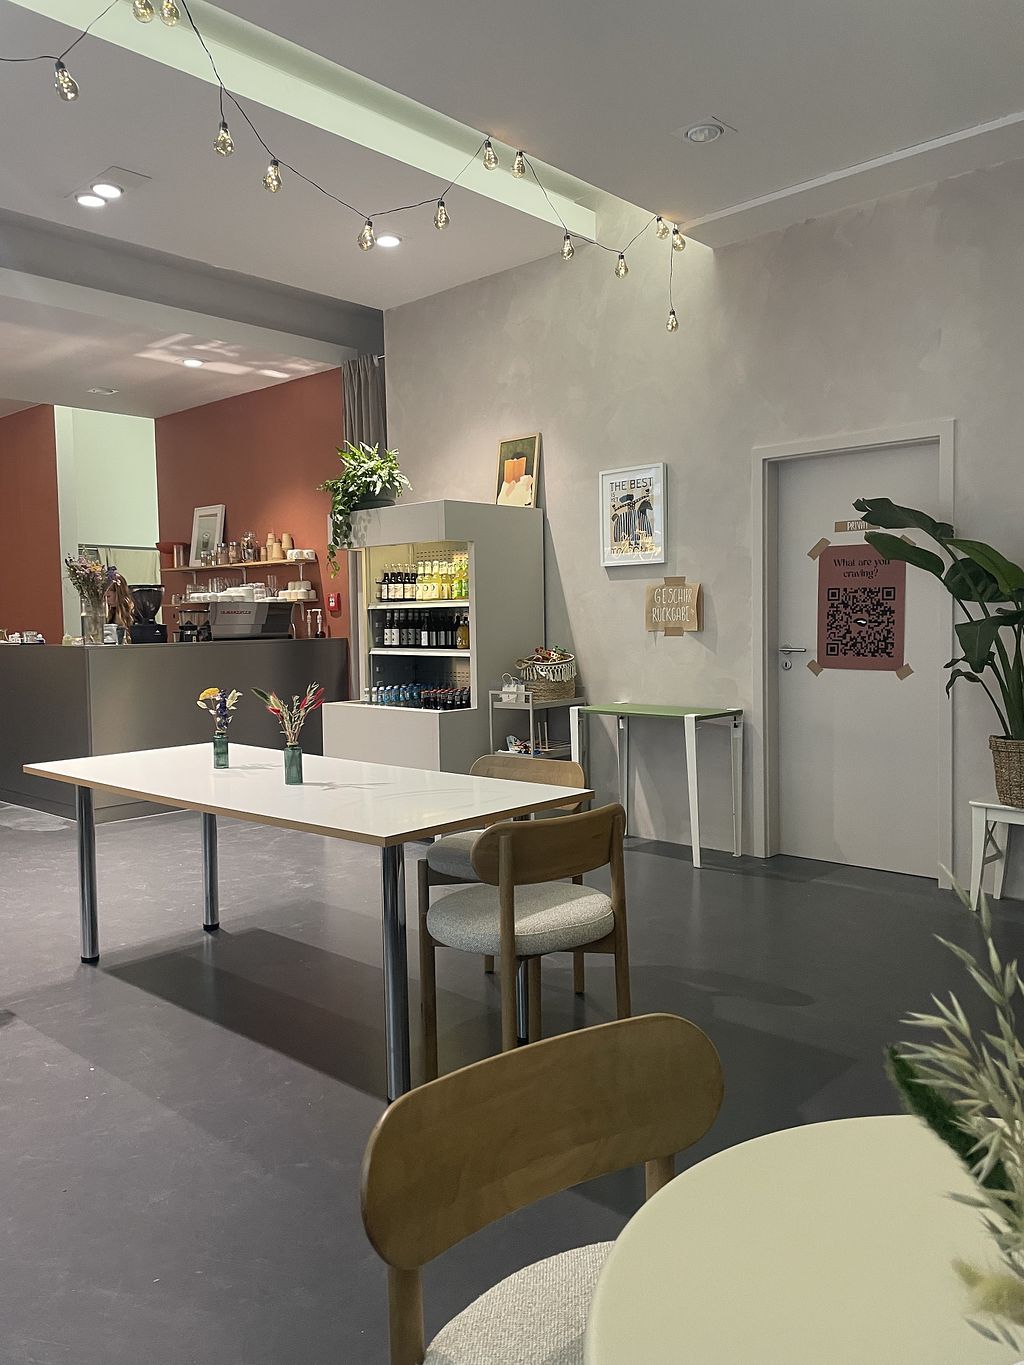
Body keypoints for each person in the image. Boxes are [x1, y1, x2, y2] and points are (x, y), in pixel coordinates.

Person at [106, 572, 135, 640]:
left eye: (108, 596)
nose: (106, 600)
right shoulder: (111, 614)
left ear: (119, 593)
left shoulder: (134, 613)